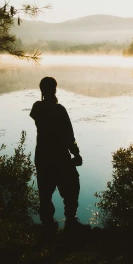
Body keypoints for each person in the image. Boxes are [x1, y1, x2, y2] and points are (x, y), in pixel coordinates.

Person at [30, 76, 91, 236]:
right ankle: (70, 222)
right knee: (71, 188)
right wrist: (76, 154)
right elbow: (69, 136)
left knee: (45, 192)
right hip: (60, 157)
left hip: (42, 157)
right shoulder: (59, 110)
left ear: (41, 90)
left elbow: (36, 113)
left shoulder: (37, 108)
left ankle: (48, 225)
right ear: (55, 89)